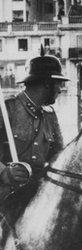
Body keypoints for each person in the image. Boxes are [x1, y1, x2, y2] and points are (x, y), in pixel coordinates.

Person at [0, 51, 68, 205]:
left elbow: (59, 157)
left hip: (39, 197)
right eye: (58, 83)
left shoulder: (50, 115)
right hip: (5, 199)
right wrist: (4, 172)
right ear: (46, 83)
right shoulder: (6, 109)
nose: (60, 89)